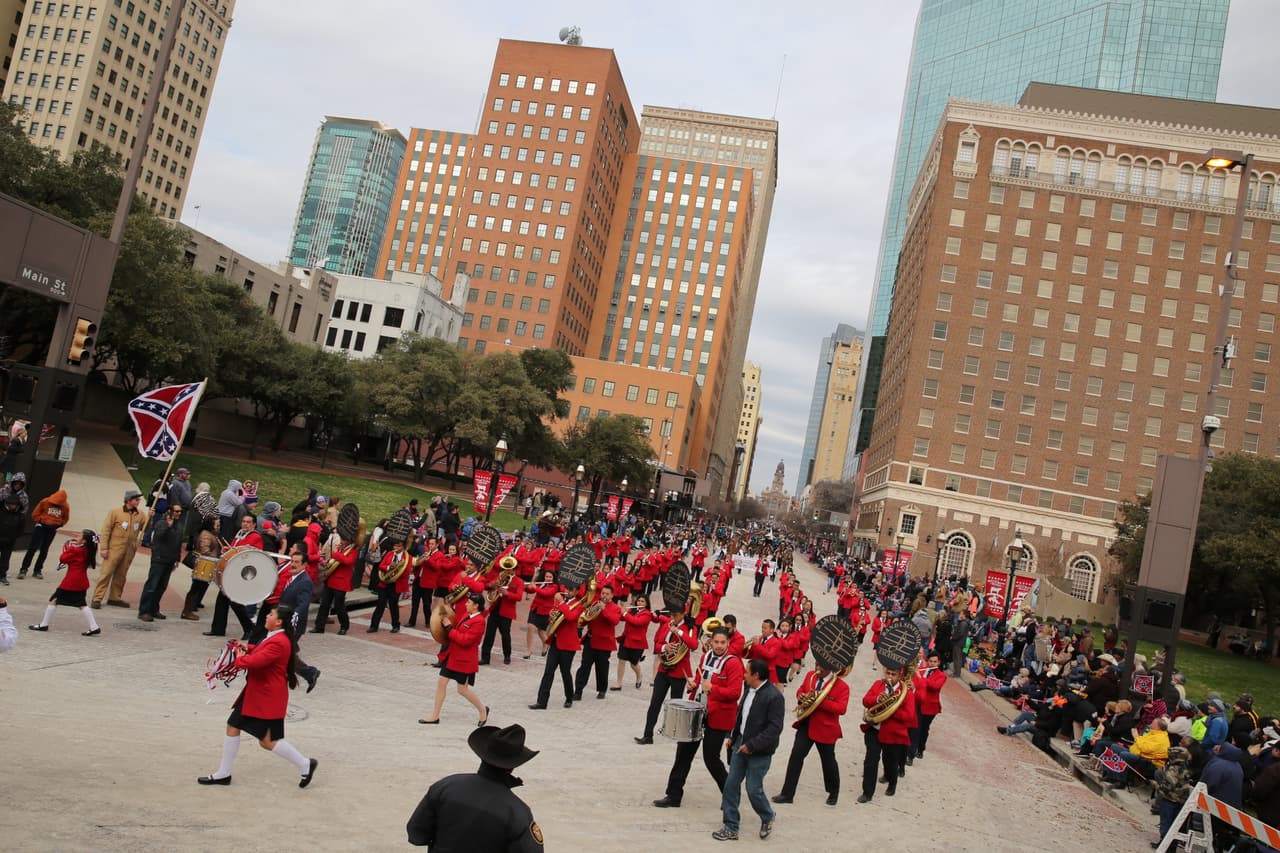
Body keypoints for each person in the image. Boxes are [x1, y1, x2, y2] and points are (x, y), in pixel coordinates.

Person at [196, 604, 318, 788]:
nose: (266, 616)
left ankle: (305, 764)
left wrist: (237, 657)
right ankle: (224, 773)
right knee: (236, 727)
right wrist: (248, 647)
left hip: (265, 697)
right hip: (262, 695)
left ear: (278, 622)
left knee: (267, 741)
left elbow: (256, 662)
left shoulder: (278, 641)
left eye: (270, 614)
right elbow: (261, 651)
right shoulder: (277, 637)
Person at [406, 723, 544, 850]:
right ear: (514, 766)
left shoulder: (445, 786)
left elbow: (416, 835)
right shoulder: (517, 812)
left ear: (483, 754)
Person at [654, 626, 743, 808]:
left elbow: (735, 692)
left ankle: (731, 795)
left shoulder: (734, 663)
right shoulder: (705, 657)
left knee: (711, 758)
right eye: (716, 642)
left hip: (718, 716)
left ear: (728, 643)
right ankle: (673, 795)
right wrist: (693, 686)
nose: (719, 646)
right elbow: (700, 679)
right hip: (697, 711)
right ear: (710, 642)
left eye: (722, 642)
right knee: (683, 753)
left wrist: (713, 689)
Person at [713, 658, 784, 842]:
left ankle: (767, 816)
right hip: (740, 745)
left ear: (756, 675)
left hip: (759, 751)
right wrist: (733, 736)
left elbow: (774, 729)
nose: (743, 675)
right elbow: (741, 716)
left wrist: (752, 745)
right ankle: (730, 826)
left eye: (746, 672)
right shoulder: (748, 689)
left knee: (754, 789)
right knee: (730, 786)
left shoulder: (774, 697)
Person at [773, 662, 850, 806]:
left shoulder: (842, 686)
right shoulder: (810, 676)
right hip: (806, 725)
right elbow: (801, 690)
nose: (818, 669)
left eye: (822, 667)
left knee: (828, 762)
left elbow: (841, 708)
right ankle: (787, 793)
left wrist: (819, 700)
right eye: (817, 665)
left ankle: (833, 792)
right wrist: (802, 696)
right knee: (796, 756)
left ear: (831, 669)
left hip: (825, 729)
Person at [420, 593, 489, 725]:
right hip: (453, 656)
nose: (466, 604)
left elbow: (465, 641)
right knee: (441, 683)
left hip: (464, 660)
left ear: (476, 606)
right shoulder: (467, 615)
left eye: (469, 603)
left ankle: (482, 710)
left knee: (462, 690)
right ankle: (435, 715)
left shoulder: (479, 622)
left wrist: (449, 628)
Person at [636, 607, 699, 744]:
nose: (672, 617)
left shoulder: (690, 628)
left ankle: (674, 734)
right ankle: (648, 735)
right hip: (664, 668)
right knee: (655, 703)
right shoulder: (667, 624)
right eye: (671, 614)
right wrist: (665, 647)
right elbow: (657, 643)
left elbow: (694, 645)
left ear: (683, 614)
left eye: (675, 614)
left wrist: (679, 632)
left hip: (679, 671)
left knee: (675, 705)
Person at [27, 529, 101, 636]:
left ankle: (44, 625)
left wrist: (69, 548)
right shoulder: (88, 550)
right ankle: (94, 626)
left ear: (84, 541)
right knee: (81, 604)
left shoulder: (77, 550)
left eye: (80, 535)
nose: (77, 536)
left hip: (72, 581)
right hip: (81, 580)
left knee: (54, 599)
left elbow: (63, 558)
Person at [858, 665, 916, 803]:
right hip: (874, 729)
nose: (889, 677)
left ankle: (892, 782)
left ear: (900, 676)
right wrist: (878, 699)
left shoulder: (906, 693)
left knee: (890, 762)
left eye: (893, 674)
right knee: (870, 761)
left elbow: (909, 716)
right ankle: (867, 793)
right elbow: (865, 701)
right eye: (888, 673)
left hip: (893, 733)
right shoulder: (878, 685)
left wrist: (890, 707)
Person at [528, 587, 584, 710]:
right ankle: (542, 702)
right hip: (555, 642)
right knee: (548, 672)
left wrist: (561, 603)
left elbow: (570, 617)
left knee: (565, 673)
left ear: (575, 592)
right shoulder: (561, 601)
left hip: (568, 645)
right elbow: (552, 615)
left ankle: (569, 697)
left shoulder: (579, 605)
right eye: (567, 589)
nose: (567, 592)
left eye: (570, 590)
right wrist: (551, 615)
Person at [91, 489, 147, 608]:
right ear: (128, 500)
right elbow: (106, 531)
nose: (138, 501)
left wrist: (151, 517)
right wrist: (104, 548)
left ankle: (114, 597)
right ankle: (97, 598)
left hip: (129, 551)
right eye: (136, 499)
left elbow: (146, 528)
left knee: (121, 575)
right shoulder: (115, 512)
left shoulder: (140, 514)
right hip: (114, 549)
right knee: (106, 573)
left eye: (139, 499)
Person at [573, 584, 623, 700]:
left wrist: (604, 610)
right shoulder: (594, 604)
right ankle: (578, 690)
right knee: (584, 667)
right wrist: (582, 621)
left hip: (604, 643)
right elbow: (587, 618)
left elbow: (614, 621)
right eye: (602, 593)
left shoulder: (615, 608)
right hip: (590, 640)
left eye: (607, 594)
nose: (604, 596)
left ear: (612, 596)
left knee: (602, 668)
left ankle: (601, 690)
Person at [138, 504, 184, 622]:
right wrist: (168, 527)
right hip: (159, 559)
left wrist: (177, 558)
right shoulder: (161, 523)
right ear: (169, 511)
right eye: (177, 511)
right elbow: (157, 537)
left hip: (170, 560)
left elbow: (178, 542)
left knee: (161, 587)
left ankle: (154, 609)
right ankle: (144, 611)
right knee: (152, 586)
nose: (179, 513)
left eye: (180, 512)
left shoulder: (178, 524)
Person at [18, 487, 69, 580]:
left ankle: (37, 570)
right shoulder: (45, 501)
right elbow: (35, 513)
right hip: (41, 527)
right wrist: (40, 521)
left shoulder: (65, 506)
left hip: (52, 529)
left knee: (44, 550)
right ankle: (23, 569)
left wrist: (58, 524)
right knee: (32, 548)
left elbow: (65, 518)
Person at [311, 533, 356, 635]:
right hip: (330, 580)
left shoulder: (353, 551)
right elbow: (335, 561)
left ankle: (344, 626)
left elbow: (348, 561)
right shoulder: (341, 549)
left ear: (349, 541)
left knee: (339, 606)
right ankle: (319, 626)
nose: (341, 542)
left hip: (341, 582)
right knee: (324, 604)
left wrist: (336, 553)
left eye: (343, 540)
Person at [911, 653, 948, 761]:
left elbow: (935, 686)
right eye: (930, 661)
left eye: (935, 662)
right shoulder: (922, 670)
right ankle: (911, 751)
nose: (932, 664)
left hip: (930, 707)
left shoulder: (942, 675)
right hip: (918, 703)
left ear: (939, 663)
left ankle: (920, 749)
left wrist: (920, 678)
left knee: (924, 729)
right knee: (915, 727)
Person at [368, 538, 409, 633]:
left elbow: (406, 572)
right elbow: (381, 565)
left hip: (396, 584)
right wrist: (389, 567)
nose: (396, 548)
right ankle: (374, 626)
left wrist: (397, 570)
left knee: (393, 605)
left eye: (398, 546)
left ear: (403, 547)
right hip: (385, 582)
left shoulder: (407, 557)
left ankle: (395, 625)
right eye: (395, 546)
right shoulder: (389, 554)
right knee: (380, 604)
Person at [614, 594, 653, 690]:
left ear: (647, 604)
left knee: (633, 664)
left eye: (642, 601)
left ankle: (639, 675)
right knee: (621, 660)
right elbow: (622, 618)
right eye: (639, 601)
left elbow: (637, 622)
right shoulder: (632, 610)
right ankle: (618, 684)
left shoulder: (647, 614)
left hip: (637, 642)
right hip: (626, 639)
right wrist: (618, 611)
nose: (639, 603)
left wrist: (625, 613)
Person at [0, 489, 25, 585]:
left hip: (9, 541)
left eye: (14, 504)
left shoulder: (20, 516)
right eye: (11, 504)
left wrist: (13, 537)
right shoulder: (1, 511)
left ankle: (2, 576)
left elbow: (21, 529)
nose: (12, 506)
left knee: (5, 559)